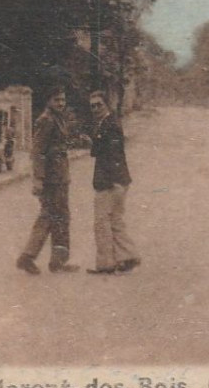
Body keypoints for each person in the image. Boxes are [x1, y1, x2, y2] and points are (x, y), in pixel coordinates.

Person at [16, 90, 80, 275]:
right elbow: (37, 151)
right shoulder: (47, 120)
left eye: (63, 99)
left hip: (60, 177)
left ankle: (58, 262)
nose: (61, 103)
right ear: (48, 100)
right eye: (57, 99)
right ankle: (27, 257)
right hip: (50, 179)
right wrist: (38, 179)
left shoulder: (58, 118)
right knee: (49, 216)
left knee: (61, 218)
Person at [86, 91, 139, 276]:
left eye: (99, 104)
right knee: (115, 220)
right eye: (92, 106)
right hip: (115, 180)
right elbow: (98, 150)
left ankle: (106, 263)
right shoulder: (105, 123)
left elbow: (115, 155)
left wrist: (115, 182)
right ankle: (128, 256)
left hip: (110, 181)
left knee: (102, 222)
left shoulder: (111, 125)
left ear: (106, 104)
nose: (95, 109)